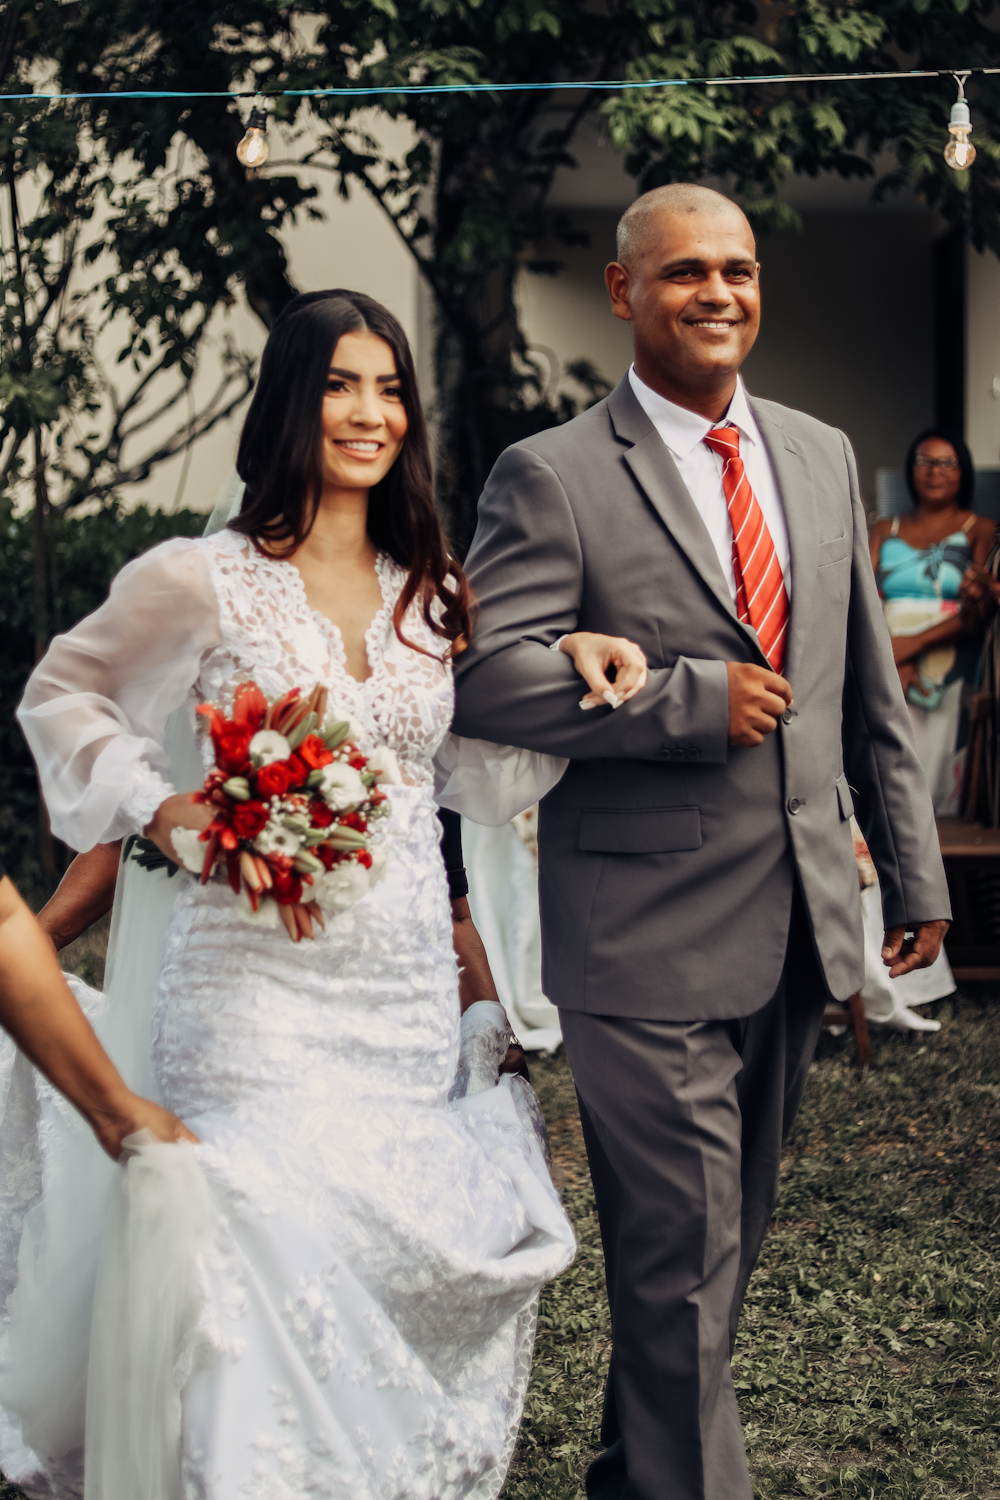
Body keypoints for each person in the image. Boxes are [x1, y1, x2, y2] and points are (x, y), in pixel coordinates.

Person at [6, 289, 598, 1500]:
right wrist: (164, 807)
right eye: (339, 385)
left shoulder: (433, 588)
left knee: (366, 1235)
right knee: (260, 1212)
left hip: (397, 987)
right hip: (251, 984)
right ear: (291, 401)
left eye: (389, 388)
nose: (370, 412)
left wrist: (580, 664)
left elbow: (474, 768)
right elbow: (64, 692)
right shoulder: (200, 578)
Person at [452, 184, 952, 1500]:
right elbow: (485, 679)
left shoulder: (822, 450)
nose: (719, 292)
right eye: (685, 274)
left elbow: (868, 699)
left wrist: (913, 869)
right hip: (637, 937)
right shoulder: (551, 472)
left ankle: (634, 1478)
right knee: (681, 1254)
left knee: (711, 1262)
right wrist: (682, 700)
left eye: (738, 269)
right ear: (626, 294)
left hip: (795, 925)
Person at [868, 428, 992, 813]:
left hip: (949, 667)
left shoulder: (981, 529)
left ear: (963, 472)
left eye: (947, 463)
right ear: (911, 469)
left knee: (940, 772)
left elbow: (980, 609)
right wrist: (889, 654)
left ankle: (946, 864)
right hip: (884, 661)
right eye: (925, 461)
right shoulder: (883, 529)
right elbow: (861, 598)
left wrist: (908, 646)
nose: (934, 471)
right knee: (891, 768)